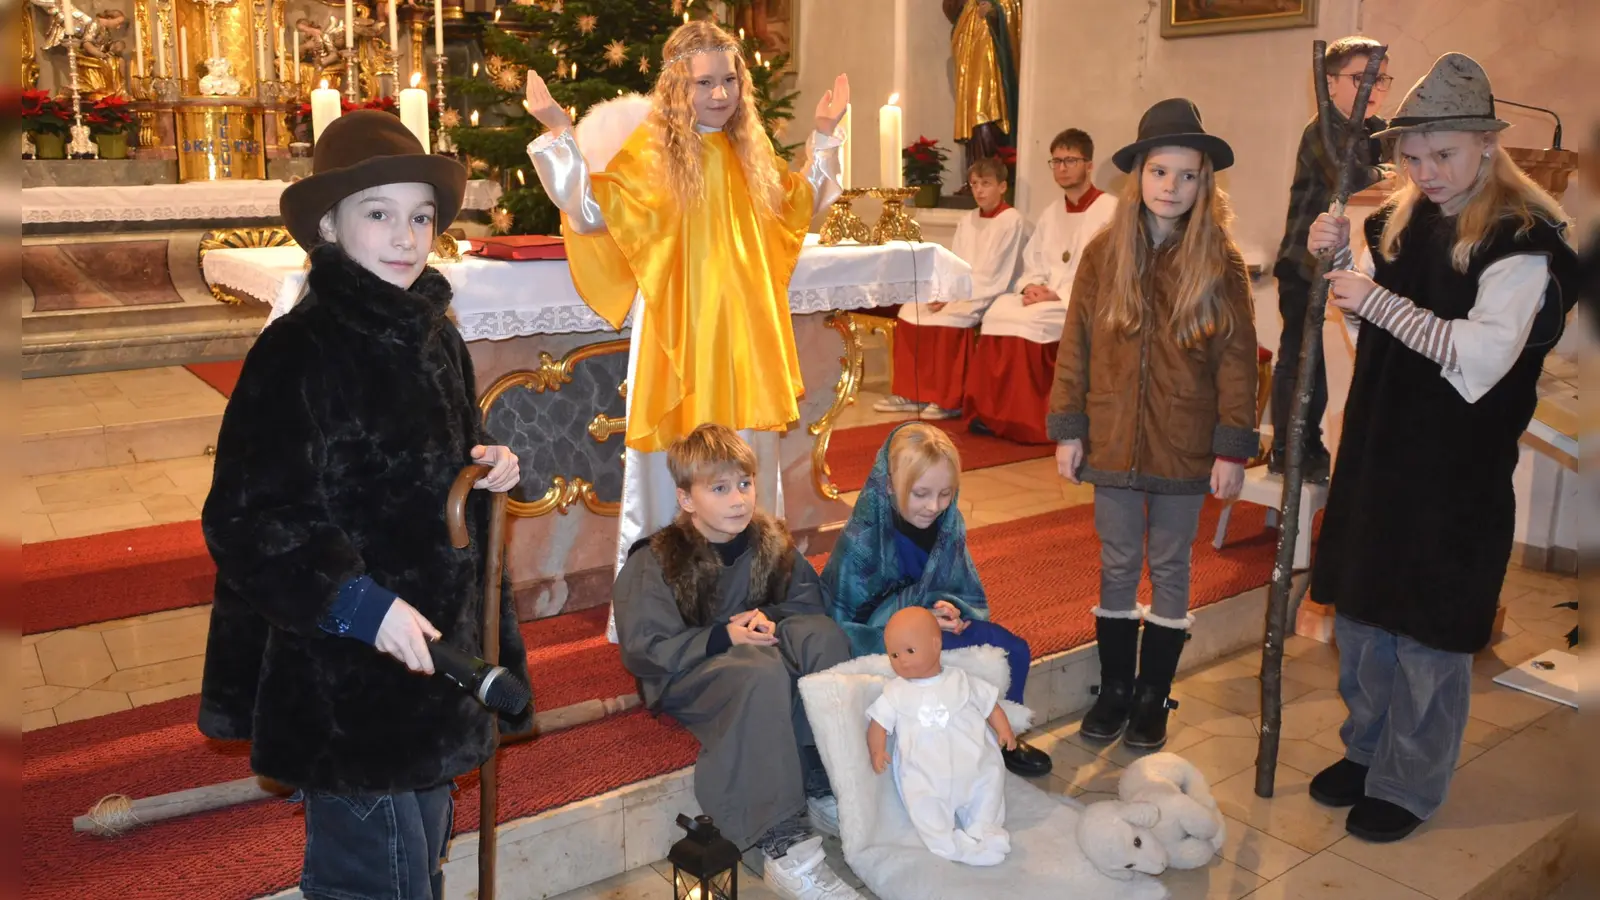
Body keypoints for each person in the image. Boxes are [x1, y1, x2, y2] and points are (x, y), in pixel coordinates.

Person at [197, 111, 529, 900]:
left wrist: (489, 465)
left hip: (433, 656)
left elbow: (440, 456)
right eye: (379, 214)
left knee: (424, 856)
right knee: (375, 877)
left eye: (421, 217)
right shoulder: (299, 349)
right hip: (345, 671)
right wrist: (358, 605)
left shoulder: (434, 336)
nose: (405, 237)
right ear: (327, 225)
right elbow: (248, 519)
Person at [1303, 53, 1579, 844]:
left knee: (1428, 630)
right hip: (1382, 451)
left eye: (1443, 155)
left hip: (1454, 469)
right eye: (1412, 157)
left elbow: (1480, 359)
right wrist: (1340, 262)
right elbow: (1367, 323)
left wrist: (1376, 299)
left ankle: (1409, 781)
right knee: (1364, 615)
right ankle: (1367, 750)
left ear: (1488, 144)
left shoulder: (1521, 241)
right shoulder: (1400, 221)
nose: (1425, 172)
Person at [524, 20, 849, 639]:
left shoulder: (751, 153)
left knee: (746, 462)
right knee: (677, 461)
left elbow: (801, 204)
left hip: (746, 341)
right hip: (679, 340)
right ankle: (664, 617)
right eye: (704, 82)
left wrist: (827, 134)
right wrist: (558, 132)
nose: (720, 94)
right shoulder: (652, 157)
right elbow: (590, 211)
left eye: (729, 80)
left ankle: (756, 602)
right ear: (678, 86)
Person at [1047, 99, 1258, 752]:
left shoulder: (1219, 261)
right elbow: (1075, 346)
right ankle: (1115, 688)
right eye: (1160, 172)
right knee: (1117, 561)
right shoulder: (1104, 253)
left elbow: (1238, 363)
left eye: (1187, 175)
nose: (1171, 186)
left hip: (1184, 443)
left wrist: (1231, 449)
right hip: (1111, 436)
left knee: (1170, 565)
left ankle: (1152, 694)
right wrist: (1069, 428)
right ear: (1137, 175)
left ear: (1204, 184)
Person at [612, 424, 860, 900]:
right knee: (758, 669)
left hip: (755, 656)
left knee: (823, 638)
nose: (738, 499)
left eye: (745, 484)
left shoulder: (770, 543)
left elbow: (808, 602)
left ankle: (820, 781)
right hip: (689, 669)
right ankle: (781, 840)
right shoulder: (657, 559)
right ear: (686, 499)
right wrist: (723, 636)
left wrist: (769, 617)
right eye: (720, 488)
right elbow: (645, 646)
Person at [821, 422, 1054, 777]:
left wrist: (950, 608)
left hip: (936, 627)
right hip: (882, 640)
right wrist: (917, 619)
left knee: (1013, 650)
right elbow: (847, 622)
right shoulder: (863, 539)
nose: (933, 506)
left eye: (945, 493)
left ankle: (1004, 733)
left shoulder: (949, 524)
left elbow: (960, 585)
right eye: (921, 494)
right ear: (889, 484)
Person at [1267, 36, 1394, 482]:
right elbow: (1352, 179)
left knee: (1321, 363)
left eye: (1382, 79)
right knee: (1301, 360)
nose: (1373, 88)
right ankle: (1288, 447)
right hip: (1304, 263)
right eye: (1362, 78)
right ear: (1331, 81)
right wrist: (1385, 172)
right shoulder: (1322, 129)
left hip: (1344, 263)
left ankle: (1310, 443)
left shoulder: (1377, 131)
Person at [967, 128, 1117, 443]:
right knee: (998, 311)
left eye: (1070, 160)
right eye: (1056, 161)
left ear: (1089, 165)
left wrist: (1057, 294)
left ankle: (1032, 419)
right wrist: (1030, 287)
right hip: (1045, 295)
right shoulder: (1051, 213)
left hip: (1080, 301)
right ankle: (994, 413)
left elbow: (1109, 270)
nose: (1062, 168)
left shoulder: (1110, 211)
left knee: (1031, 321)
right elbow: (1033, 260)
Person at [876, 157, 1029, 420]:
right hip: (959, 289)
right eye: (974, 184)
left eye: (986, 184)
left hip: (988, 291)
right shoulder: (967, 219)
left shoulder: (1011, 220)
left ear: (1002, 187)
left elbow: (995, 274)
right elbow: (954, 262)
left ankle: (948, 399)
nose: (979, 190)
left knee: (949, 317)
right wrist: (943, 291)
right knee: (911, 310)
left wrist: (953, 296)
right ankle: (912, 393)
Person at [868, 606, 1014, 866]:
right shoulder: (895, 692)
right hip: (926, 774)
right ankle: (944, 841)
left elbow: (990, 706)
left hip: (973, 764)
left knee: (988, 784)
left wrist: (1004, 730)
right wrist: (877, 751)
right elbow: (877, 724)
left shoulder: (961, 680)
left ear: (936, 645)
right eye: (894, 655)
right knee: (923, 802)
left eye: (909, 651)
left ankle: (985, 827)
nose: (902, 660)